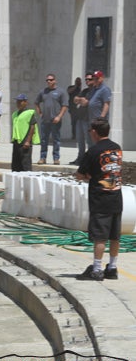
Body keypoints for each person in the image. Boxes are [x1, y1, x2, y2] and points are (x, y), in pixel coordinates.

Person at [75, 119, 122, 281]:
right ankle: (112, 267)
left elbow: (80, 175)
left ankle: (96, 269)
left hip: (100, 200)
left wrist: (91, 177)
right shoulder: (117, 148)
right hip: (116, 197)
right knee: (114, 236)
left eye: (90, 131)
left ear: (94, 132)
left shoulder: (93, 151)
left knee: (100, 237)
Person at [34, 73, 68, 165]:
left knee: (56, 140)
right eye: (47, 80)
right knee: (44, 140)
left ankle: (56, 158)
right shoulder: (43, 92)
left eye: (51, 79)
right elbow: (36, 103)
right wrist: (40, 113)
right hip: (45, 120)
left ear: (55, 80)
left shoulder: (61, 92)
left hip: (55, 120)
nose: (49, 81)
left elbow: (65, 105)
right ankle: (42, 158)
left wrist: (59, 116)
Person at [10, 94, 39, 172]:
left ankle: (27, 182)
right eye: (17, 102)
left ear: (25, 102)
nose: (18, 103)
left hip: (25, 142)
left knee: (25, 165)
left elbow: (32, 127)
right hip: (16, 141)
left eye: (20, 102)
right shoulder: (15, 114)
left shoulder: (29, 113)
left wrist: (28, 141)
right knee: (15, 165)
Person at [70, 72, 95, 165]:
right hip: (80, 118)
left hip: (88, 119)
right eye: (86, 79)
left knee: (89, 141)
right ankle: (80, 159)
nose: (87, 81)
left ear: (94, 80)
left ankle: (90, 160)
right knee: (80, 141)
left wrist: (81, 100)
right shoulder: (84, 91)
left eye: (89, 79)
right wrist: (81, 100)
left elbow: (85, 102)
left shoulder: (95, 91)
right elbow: (75, 100)